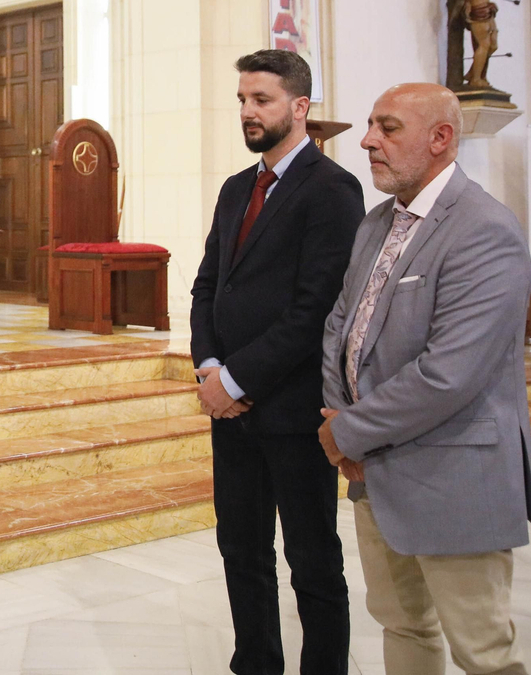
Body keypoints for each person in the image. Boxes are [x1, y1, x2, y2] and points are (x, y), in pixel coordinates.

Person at [318, 83, 531, 675]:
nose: (367, 141)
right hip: (375, 470)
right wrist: (341, 421)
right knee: (403, 626)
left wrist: (351, 431)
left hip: (452, 473)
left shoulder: (484, 229)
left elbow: (450, 373)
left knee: (484, 651)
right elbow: (341, 329)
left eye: (388, 128)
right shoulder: (375, 225)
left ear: (441, 139)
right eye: (370, 126)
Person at [189, 49, 365, 675]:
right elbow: (208, 285)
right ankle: (255, 664)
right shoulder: (238, 188)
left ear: (299, 107)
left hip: (291, 409)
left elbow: (316, 308)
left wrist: (237, 379)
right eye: (242, 99)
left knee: (312, 560)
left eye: (260, 100)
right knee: (241, 549)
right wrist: (210, 368)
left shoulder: (333, 190)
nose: (247, 111)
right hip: (229, 409)